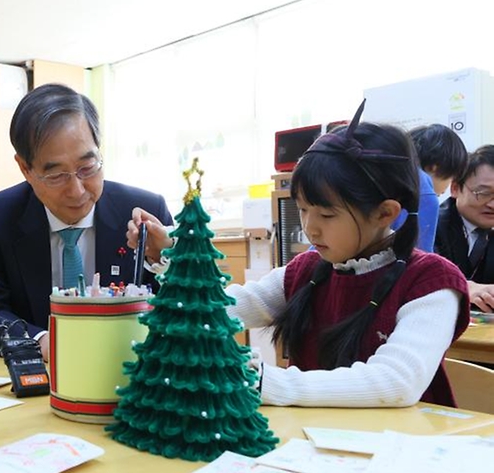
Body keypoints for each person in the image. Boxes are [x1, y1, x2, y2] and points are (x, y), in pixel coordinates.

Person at [129, 103, 469, 408]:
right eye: (303, 210)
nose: (310, 228)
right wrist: (174, 257)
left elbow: (396, 382)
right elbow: (224, 308)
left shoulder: (431, 283)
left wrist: (262, 381)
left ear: (384, 213)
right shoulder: (308, 270)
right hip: (311, 452)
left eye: (327, 214)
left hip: (397, 459)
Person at [0, 84, 173, 359]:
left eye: (87, 168)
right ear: (25, 169)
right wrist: (43, 341)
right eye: (56, 175)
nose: (77, 190)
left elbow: (180, 306)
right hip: (42, 375)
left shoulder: (144, 211)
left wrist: (164, 258)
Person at [390, 123, 467, 252]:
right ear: (435, 166)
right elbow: (421, 256)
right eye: (451, 177)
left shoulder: (391, 178)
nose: (447, 188)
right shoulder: (425, 194)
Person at [435, 145, 494, 311]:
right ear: (455, 188)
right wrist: (465, 286)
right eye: (483, 193)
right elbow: (422, 276)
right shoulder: (432, 226)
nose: (492, 204)